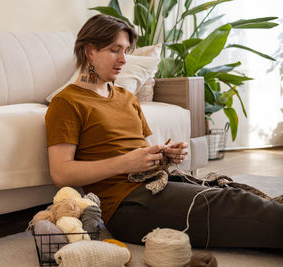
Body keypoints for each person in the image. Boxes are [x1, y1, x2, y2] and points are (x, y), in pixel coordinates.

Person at [45, 14, 283, 248]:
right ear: (89, 51)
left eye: (126, 51)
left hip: (157, 184)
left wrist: (164, 155)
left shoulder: (126, 97)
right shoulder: (67, 102)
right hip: (125, 207)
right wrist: (126, 163)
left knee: (234, 192)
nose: (124, 60)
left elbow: (144, 151)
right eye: (115, 50)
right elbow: (61, 173)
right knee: (232, 202)